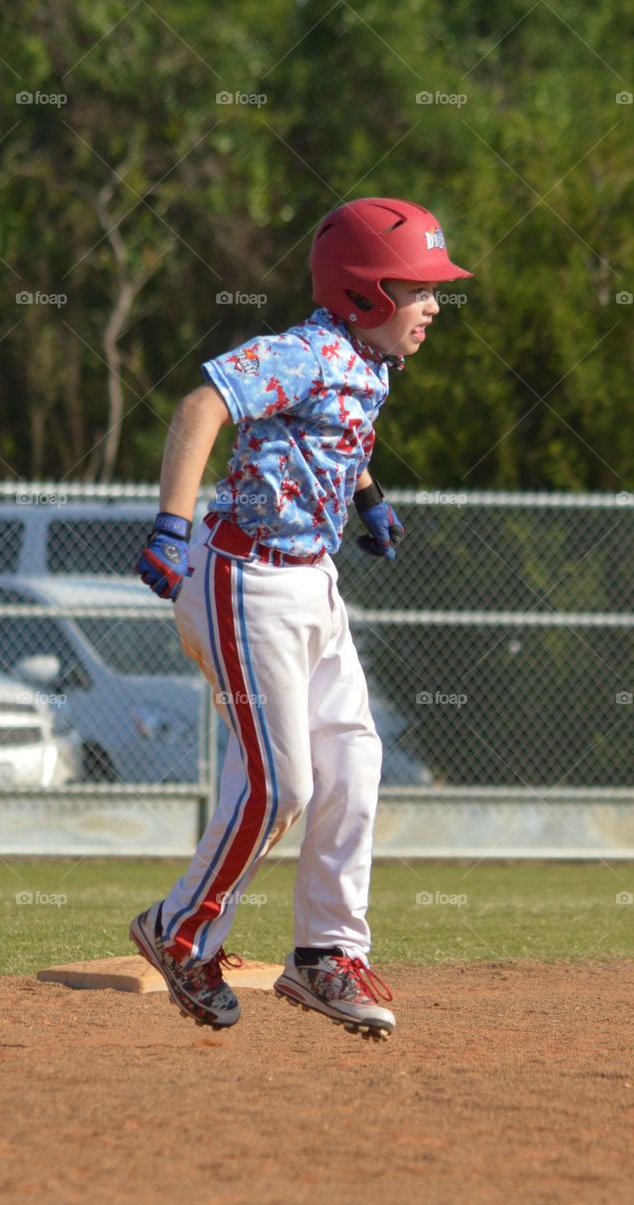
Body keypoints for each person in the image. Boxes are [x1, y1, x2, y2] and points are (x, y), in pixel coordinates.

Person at [130, 197, 472, 1039]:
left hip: (311, 580)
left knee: (355, 761)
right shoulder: (303, 353)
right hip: (242, 577)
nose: (435, 304)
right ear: (362, 293)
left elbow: (342, 434)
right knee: (282, 784)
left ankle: (324, 955)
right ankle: (179, 932)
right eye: (419, 288)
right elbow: (201, 406)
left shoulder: (371, 359)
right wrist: (172, 523)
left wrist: (368, 497)